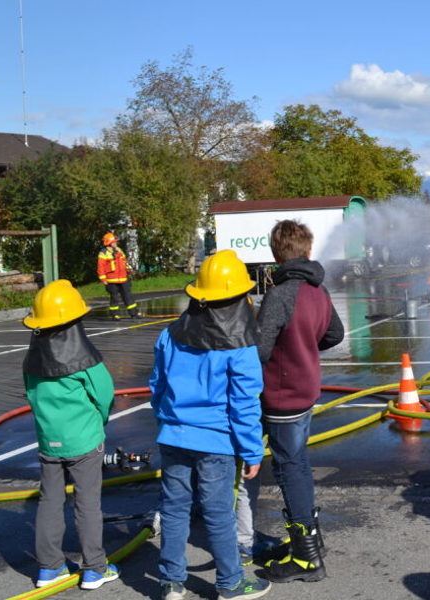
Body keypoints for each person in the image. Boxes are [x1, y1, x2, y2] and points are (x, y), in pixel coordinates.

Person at [150, 250, 270, 600]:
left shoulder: (170, 335)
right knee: (219, 514)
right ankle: (230, 583)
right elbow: (245, 405)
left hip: (173, 436)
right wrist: (252, 451)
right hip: (216, 443)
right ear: (239, 298)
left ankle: (171, 582)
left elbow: (157, 385)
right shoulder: (241, 347)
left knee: (174, 509)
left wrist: (167, 421)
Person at [236, 219, 344, 584]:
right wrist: (306, 348)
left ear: (275, 254)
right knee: (298, 464)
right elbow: (335, 333)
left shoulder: (281, 294)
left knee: (290, 468)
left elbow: (261, 349)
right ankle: (312, 543)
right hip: (306, 391)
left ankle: (306, 558)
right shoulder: (319, 290)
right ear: (308, 251)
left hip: (282, 396)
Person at [22, 280, 120, 590]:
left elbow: (32, 396)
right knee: (87, 502)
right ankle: (94, 568)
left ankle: (50, 567)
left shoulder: (32, 360)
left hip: (49, 442)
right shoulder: (85, 360)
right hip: (85, 442)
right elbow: (104, 395)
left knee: (50, 500)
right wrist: (97, 421)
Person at [97, 232, 139, 320]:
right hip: (111, 280)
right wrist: (103, 279)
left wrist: (128, 270)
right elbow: (101, 267)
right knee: (114, 298)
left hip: (123, 278)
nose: (115, 243)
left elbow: (124, 262)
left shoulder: (119, 250)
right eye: (114, 241)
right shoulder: (103, 253)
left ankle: (134, 314)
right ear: (109, 243)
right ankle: (114, 315)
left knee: (128, 296)